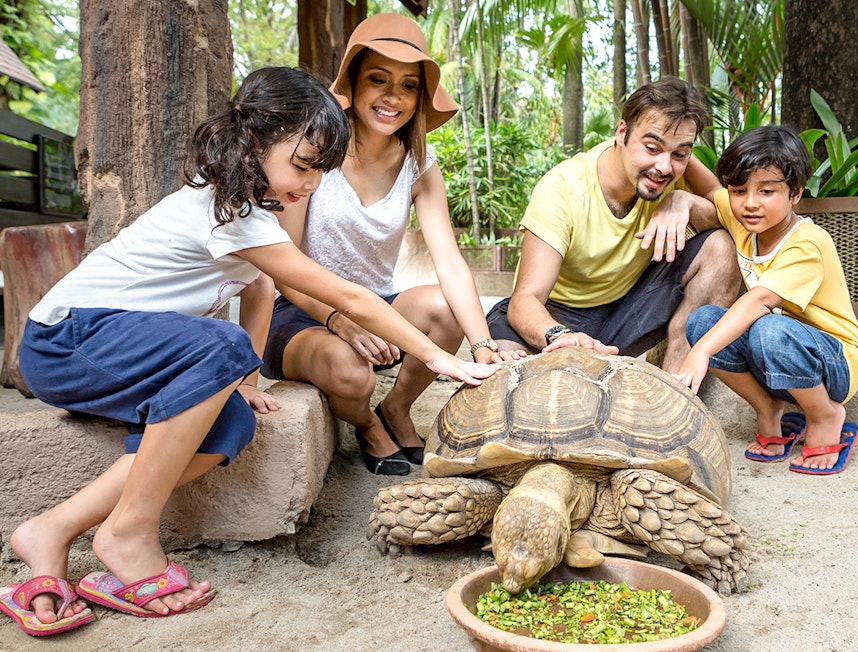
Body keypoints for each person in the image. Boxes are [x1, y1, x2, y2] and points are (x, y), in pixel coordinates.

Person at [1, 67, 498, 637]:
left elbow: (258, 287)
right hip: (65, 340)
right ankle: (128, 532)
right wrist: (440, 358)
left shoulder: (253, 208)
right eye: (304, 166)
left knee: (232, 423)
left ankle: (53, 529)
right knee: (223, 344)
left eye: (321, 173)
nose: (309, 185)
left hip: (121, 348)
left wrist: (246, 383)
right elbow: (342, 293)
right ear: (256, 140)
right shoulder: (223, 208)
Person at [261, 13, 523, 477]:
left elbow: (450, 262)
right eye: (378, 79)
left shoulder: (419, 162)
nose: (392, 97)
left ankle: (396, 409)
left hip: (378, 307)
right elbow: (284, 266)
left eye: (408, 85)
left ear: (420, 97)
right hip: (302, 311)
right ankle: (366, 424)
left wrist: (483, 344)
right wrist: (337, 317)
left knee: (446, 307)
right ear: (354, 85)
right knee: (348, 371)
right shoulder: (315, 151)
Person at [484, 77, 740, 372]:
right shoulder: (562, 189)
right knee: (506, 368)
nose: (664, 166)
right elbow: (524, 301)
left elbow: (731, 213)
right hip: (552, 318)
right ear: (622, 132)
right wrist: (563, 338)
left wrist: (686, 201)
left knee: (721, 248)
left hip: (624, 315)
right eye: (652, 148)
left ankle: (674, 392)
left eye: (680, 154)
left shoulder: (672, 170)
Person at [671, 125, 858, 475]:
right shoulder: (746, 221)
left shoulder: (807, 242)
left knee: (768, 329)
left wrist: (700, 352)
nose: (750, 202)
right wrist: (677, 152)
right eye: (739, 190)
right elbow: (709, 187)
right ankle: (769, 409)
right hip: (776, 358)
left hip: (836, 363)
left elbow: (760, 300)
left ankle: (825, 415)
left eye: (766, 191)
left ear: (795, 193)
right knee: (702, 323)